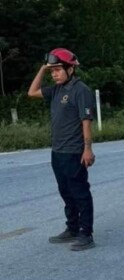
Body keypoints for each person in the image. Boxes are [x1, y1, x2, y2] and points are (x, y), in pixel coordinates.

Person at [28, 48, 96, 251]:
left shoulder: (80, 89)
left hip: (75, 151)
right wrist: (42, 68)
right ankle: (72, 228)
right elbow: (31, 92)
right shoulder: (56, 90)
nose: (54, 74)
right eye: (52, 71)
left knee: (79, 192)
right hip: (58, 151)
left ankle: (86, 233)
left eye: (58, 69)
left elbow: (86, 121)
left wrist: (88, 149)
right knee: (65, 192)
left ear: (71, 69)